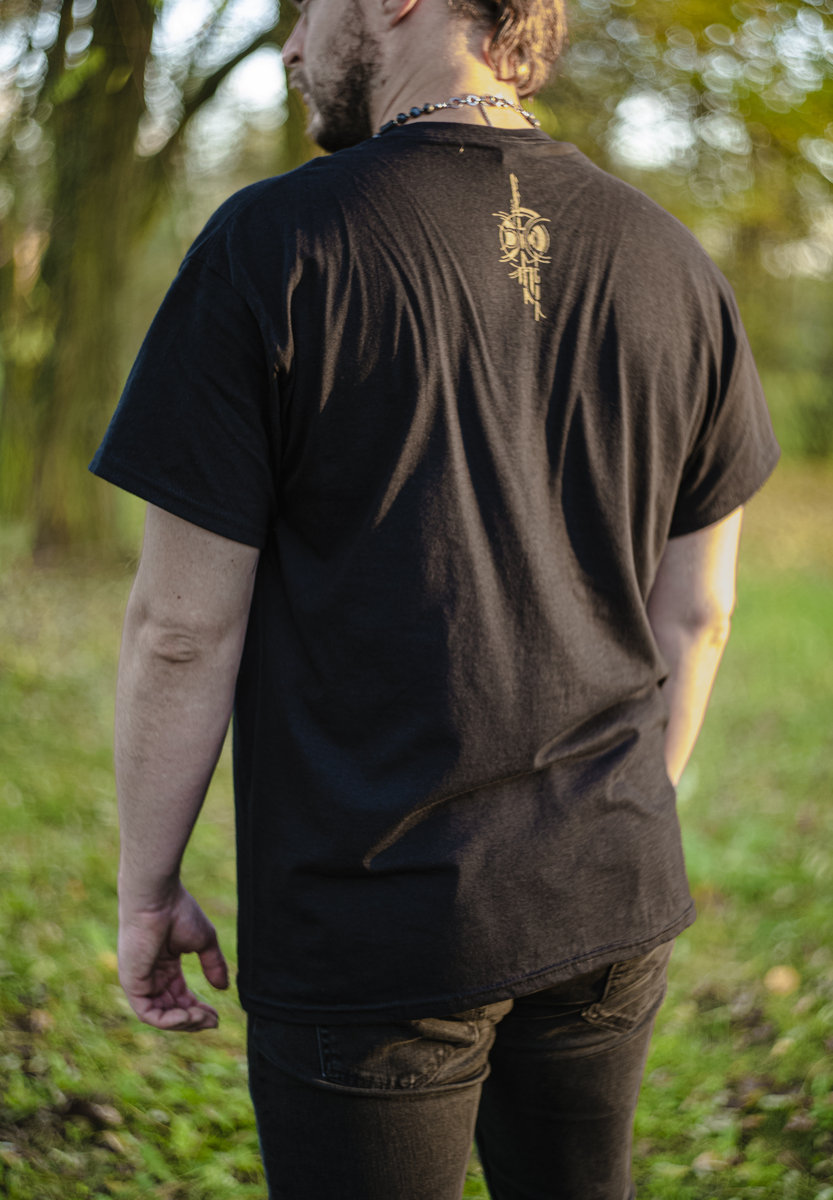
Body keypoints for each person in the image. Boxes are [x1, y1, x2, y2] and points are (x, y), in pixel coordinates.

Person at [90, 0, 780, 1195]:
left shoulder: (271, 246)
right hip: (606, 890)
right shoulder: (674, 260)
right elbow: (698, 614)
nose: (291, 45)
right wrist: (606, 820)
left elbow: (182, 630)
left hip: (374, 925)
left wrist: (147, 890)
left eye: (304, 8)